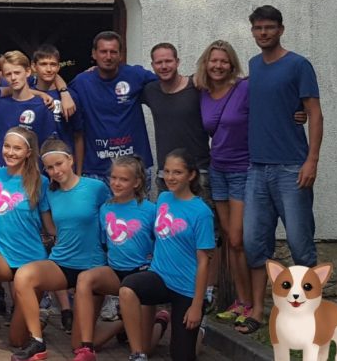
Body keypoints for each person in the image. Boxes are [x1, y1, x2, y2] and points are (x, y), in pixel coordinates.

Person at [239, 5, 323, 335]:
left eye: (269, 27)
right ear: (253, 32)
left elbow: (314, 113)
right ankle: (258, 312)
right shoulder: (253, 65)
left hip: (292, 168)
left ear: (281, 30)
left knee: (301, 245)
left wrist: (311, 160)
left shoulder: (299, 65)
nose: (263, 33)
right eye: (258, 28)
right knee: (254, 244)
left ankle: (308, 315)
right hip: (257, 169)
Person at [10, 138, 110, 361]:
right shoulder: (50, 193)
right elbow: (51, 228)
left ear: (71, 160)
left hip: (92, 269)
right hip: (62, 263)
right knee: (24, 276)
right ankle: (37, 341)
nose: (55, 171)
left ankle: (123, 324)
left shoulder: (96, 188)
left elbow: (112, 221)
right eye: (49, 167)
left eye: (59, 164)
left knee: (78, 345)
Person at [119, 149, 215, 361]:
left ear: (191, 175)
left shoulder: (202, 213)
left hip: (187, 289)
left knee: (182, 356)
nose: (170, 177)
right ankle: (138, 354)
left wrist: (196, 306)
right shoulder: (163, 198)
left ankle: (199, 331)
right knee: (127, 289)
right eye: (167, 171)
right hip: (160, 278)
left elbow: (203, 263)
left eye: (177, 172)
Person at [0, 127, 54, 361]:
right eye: (7, 146)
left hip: (31, 263)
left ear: (28, 152)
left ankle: (37, 316)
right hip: (3, 256)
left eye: (17, 148)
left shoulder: (41, 182)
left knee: (17, 340)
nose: (10, 152)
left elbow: (49, 225)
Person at [71, 157, 160, 361]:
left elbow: (159, 244)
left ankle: (161, 321)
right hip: (116, 272)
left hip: (141, 275)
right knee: (85, 278)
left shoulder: (150, 210)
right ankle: (87, 347)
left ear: (137, 182)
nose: (117, 183)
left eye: (124, 179)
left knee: (146, 347)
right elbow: (104, 244)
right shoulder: (105, 209)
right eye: (113, 177)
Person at [193, 40, 253, 325]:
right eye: (213, 60)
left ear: (232, 65)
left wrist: (298, 113)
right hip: (217, 169)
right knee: (229, 238)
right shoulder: (202, 92)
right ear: (206, 63)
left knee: (238, 239)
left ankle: (250, 303)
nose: (217, 66)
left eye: (223, 61)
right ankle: (240, 301)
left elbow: (274, 104)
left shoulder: (244, 88)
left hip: (243, 169)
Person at [69, 31, 158, 181]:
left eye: (113, 52)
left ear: (121, 55)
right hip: (96, 170)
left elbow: (168, 83)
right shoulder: (81, 82)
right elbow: (49, 88)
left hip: (134, 168)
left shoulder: (135, 75)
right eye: (103, 51)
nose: (108, 57)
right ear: (94, 54)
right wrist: (63, 90)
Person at [140, 43, 210, 193]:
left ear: (177, 62)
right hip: (166, 174)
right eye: (159, 62)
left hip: (198, 172)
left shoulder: (197, 86)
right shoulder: (150, 91)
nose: (164, 66)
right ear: (152, 66)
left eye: (168, 61)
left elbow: (225, 82)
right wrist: (94, 71)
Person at [0, 51, 57, 170]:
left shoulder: (43, 106)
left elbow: (47, 146)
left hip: (30, 175)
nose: (13, 78)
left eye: (17, 73)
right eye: (8, 74)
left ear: (28, 72)